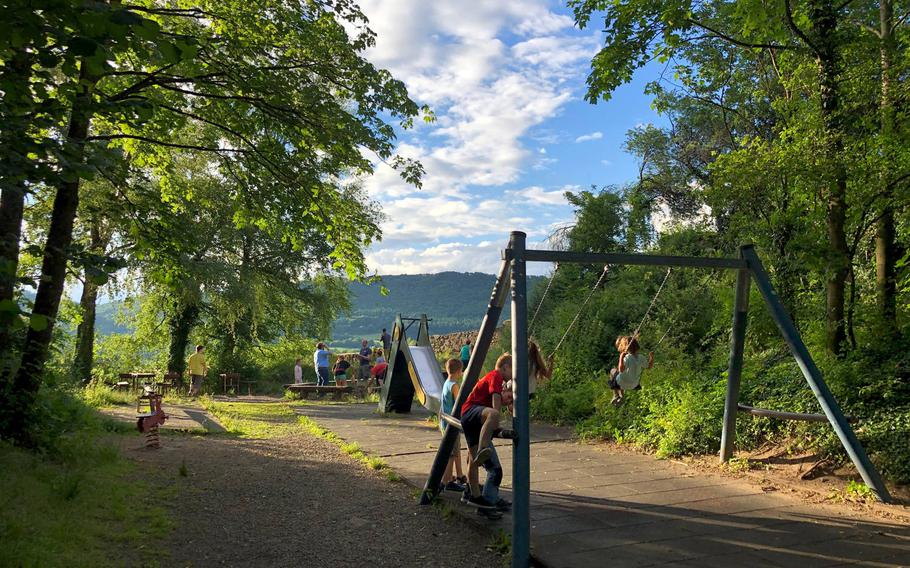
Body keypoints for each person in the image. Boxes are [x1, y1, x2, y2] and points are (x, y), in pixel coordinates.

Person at [460, 353, 513, 514]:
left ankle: (475, 495)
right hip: (471, 411)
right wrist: (496, 420)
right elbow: (496, 400)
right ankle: (484, 448)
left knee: (473, 461)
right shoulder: (496, 376)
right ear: (505, 367)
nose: (513, 375)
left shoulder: (497, 378)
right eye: (513, 370)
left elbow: (498, 399)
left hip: (470, 417)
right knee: (494, 414)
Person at [439, 359, 466, 492]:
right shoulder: (454, 385)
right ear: (459, 371)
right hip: (452, 423)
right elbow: (459, 403)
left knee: (455, 450)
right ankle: (447, 481)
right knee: (451, 453)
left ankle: (459, 475)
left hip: (445, 422)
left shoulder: (446, 383)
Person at [608, 336, 654, 406]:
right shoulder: (641, 357)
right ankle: (621, 396)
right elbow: (649, 366)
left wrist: (621, 357)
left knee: (613, 371)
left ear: (626, 348)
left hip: (622, 383)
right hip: (634, 384)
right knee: (621, 375)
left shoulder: (627, 358)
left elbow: (621, 369)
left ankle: (616, 395)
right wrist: (651, 357)